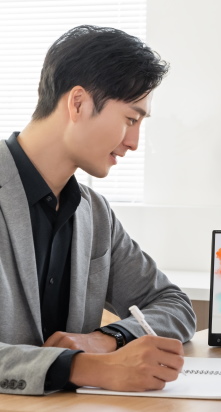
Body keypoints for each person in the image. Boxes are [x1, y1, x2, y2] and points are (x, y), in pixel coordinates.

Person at [0, 25, 196, 395]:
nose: (135, 142)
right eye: (130, 119)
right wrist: (84, 367)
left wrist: (106, 339)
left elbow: (174, 305)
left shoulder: (95, 213)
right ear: (78, 103)